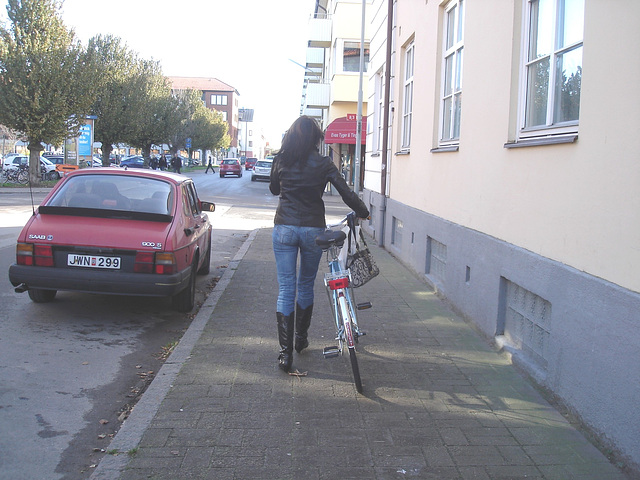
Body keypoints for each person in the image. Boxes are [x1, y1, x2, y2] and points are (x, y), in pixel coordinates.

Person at [269, 115, 370, 373]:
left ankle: (285, 354)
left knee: (285, 289)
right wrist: (363, 211)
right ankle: (300, 340)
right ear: (316, 139)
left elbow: (272, 189)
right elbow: (346, 192)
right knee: (305, 285)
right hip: (313, 229)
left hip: (284, 229)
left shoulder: (281, 160)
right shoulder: (324, 163)